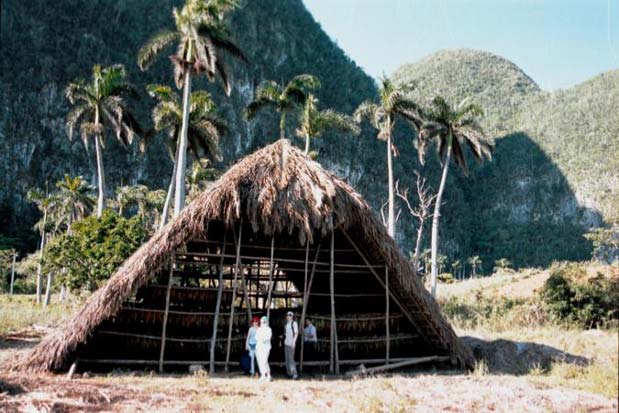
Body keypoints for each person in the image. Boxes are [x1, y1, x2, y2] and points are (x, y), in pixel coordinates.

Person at [255, 316, 272, 381]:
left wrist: (261, 338)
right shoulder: (259, 329)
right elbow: (256, 337)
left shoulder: (269, 329)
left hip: (266, 348)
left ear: (267, 322)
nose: (263, 323)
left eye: (264, 321)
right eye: (262, 321)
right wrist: (261, 337)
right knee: (260, 362)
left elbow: (267, 338)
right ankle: (263, 375)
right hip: (259, 347)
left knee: (264, 361)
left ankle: (269, 375)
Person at [284, 311, 299, 379]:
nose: (288, 316)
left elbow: (296, 333)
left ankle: (295, 374)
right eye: (287, 315)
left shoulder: (294, 323)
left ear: (292, 316)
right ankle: (289, 374)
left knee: (291, 359)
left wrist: (294, 342)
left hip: (291, 344)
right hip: (286, 343)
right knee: (287, 359)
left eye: (290, 315)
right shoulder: (287, 324)